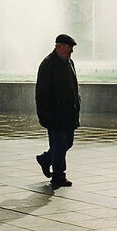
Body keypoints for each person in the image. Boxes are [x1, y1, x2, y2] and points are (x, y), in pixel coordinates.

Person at [35, 34, 81, 190]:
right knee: (60, 145)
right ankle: (58, 176)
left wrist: (77, 105)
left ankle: (45, 159)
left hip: (69, 114)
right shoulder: (48, 64)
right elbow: (41, 94)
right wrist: (45, 116)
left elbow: (74, 87)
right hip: (55, 115)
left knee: (68, 143)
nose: (71, 52)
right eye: (69, 48)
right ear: (59, 46)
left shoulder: (69, 62)